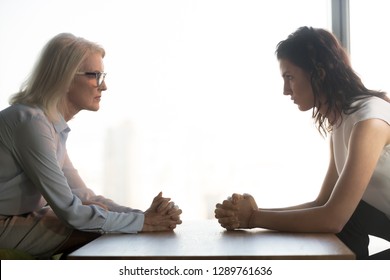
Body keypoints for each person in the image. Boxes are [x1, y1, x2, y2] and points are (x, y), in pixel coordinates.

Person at [0, 33, 182, 259]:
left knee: (97, 208)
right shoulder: (31, 123)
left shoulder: (47, 125)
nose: (103, 86)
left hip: (20, 218)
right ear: (64, 78)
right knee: (99, 225)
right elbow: (72, 213)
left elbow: (82, 194)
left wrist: (144, 215)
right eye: (95, 75)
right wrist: (145, 222)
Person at [215, 26, 390, 259]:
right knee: (348, 213)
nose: (286, 91)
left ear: (319, 74)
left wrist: (253, 218)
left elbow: (332, 219)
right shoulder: (341, 123)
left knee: (344, 217)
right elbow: (323, 203)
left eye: (289, 77)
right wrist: (250, 214)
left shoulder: (369, 120)